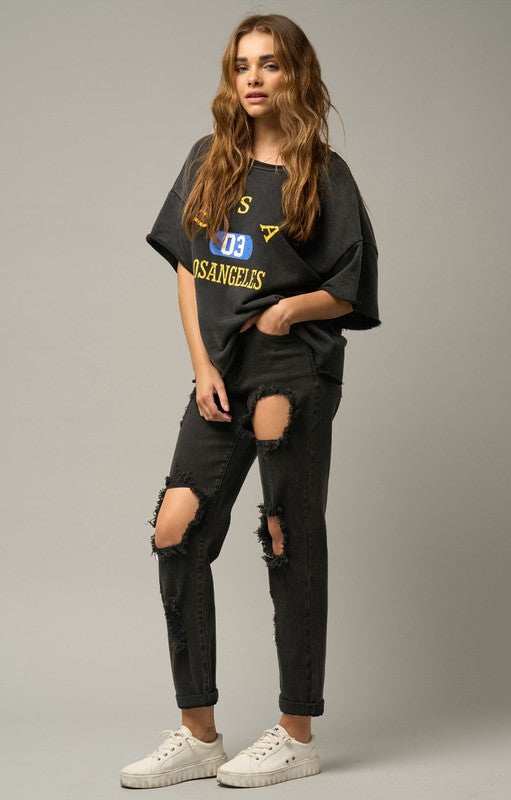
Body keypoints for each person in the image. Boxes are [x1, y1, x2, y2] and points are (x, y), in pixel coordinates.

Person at [120, 12, 380, 790]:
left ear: (297, 75)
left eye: (270, 64)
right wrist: (200, 362)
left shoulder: (324, 173)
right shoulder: (209, 159)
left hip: (293, 367)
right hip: (222, 368)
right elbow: (189, 266)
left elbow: (349, 285)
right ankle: (198, 735)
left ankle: (296, 733)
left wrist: (289, 309)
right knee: (176, 529)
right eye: (242, 66)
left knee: (285, 535)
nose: (254, 79)